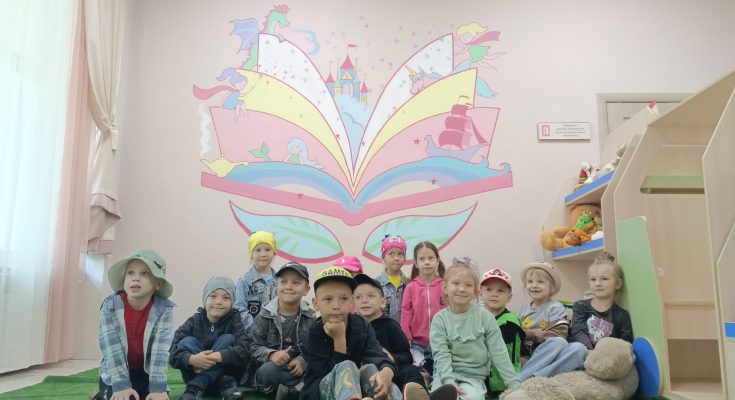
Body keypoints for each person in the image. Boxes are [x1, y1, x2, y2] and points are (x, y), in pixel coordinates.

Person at [522, 252, 634, 381]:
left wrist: (603, 355)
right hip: (580, 352)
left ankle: (535, 378)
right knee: (578, 348)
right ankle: (531, 378)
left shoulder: (622, 315)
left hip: (600, 360)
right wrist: (589, 350)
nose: (598, 283)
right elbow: (578, 331)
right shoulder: (581, 306)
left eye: (604, 279)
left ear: (618, 283)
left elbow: (624, 343)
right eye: (593, 279)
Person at [300, 266, 405, 400]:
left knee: (372, 370)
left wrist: (386, 373)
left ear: (351, 302)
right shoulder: (312, 334)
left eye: (343, 299)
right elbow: (329, 374)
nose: (336, 306)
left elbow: (377, 355)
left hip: (356, 389)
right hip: (319, 392)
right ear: (316, 304)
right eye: (328, 299)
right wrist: (339, 339)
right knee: (347, 366)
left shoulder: (361, 326)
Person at [353, 274, 457, 400]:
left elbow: (407, 356)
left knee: (411, 371)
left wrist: (392, 358)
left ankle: (422, 396)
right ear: (353, 303)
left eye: (371, 296)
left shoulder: (390, 325)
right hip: (368, 375)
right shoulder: (353, 328)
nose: (364, 300)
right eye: (358, 297)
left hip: (393, 371)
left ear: (383, 302)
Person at [93, 249, 175, 400]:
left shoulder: (164, 310)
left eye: (144, 273)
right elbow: (112, 349)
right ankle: (103, 392)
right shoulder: (110, 306)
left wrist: (158, 388)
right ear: (124, 279)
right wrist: (121, 386)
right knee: (121, 397)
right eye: (130, 273)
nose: (136, 278)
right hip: (115, 371)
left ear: (158, 283)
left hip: (146, 371)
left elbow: (160, 351)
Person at [430, 261, 519, 399]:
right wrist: (449, 382)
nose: (462, 289)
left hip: (473, 377)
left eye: (468, 285)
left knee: (472, 398)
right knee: (442, 395)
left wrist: (513, 384)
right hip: (445, 375)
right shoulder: (439, 319)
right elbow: (441, 354)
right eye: (456, 283)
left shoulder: (485, 317)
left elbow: (499, 352)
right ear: (445, 288)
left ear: (476, 292)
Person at [169, 277, 248, 400]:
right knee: (187, 342)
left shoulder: (234, 320)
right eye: (213, 296)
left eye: (226, 298)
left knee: (228, 339)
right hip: (195, 373)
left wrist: (219, 356)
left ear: (232, 302)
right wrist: (192, 360)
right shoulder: (193, 321)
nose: (219, 302)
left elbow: (245, 349)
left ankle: (197, 385)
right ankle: (201, 383)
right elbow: (172, 352)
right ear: (205, 299)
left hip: (225, 383)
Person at [251, 262, 316, 400]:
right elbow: (253, 346)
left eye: (296, 283)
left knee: (318, 368)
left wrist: (302, 361)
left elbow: (314, 349)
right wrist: (271, 355)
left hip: (298, 371)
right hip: (273, 370)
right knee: (267, 370)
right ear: (276, 286)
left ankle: (291, 390)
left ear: (306, 289)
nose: (288, 286)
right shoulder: (265, 314)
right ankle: (298, 389)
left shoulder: (310, 317)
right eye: (283, 282)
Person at [516, 262, 571, 380]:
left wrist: (531, 334)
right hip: (528, 354)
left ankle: (523, 378)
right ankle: (529, 376)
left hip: (548, 352)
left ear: (552, 287)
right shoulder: (524, 307)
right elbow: (519, 333)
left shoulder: (555, 307)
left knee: (563, 343)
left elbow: (559, 334)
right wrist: (528, 334)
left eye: (540, 282)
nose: (534, 285)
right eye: (530, 281)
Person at [479, 268, 525, 395]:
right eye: (489, 289)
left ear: (509, 297)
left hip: (503, 382)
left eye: (500, 290)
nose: (494, 294)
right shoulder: (475, 317)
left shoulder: (511, 321)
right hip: (479, 378)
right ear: (480, 293)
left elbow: (495, 348)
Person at [400, 241, 446, 368]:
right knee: (419, 369)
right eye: (422, 259)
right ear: (416, 263)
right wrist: (408, 343)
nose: (427, 262)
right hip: (417, 345)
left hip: (441, 343)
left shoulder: (445, 286)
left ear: (437, 260)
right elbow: (405, 317)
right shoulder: (410, 287)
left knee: (439, 369)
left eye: (431, 258)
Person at [234, 230, 277, 334]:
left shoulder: (280, 280)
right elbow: (239, 309)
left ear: (274, 254)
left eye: (268, 250)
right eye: (258, 250)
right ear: (251, 254)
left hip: (275, 334)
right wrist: (256, 330)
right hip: (252, 334)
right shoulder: (245, 281)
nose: (263, 254)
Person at [375, 235, 410, 323]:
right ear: (383, 257)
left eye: (400, 254)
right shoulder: (375, 284)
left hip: (404, 330)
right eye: (391, 254)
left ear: (404, 258)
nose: (396, 258)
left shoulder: (409, 284)